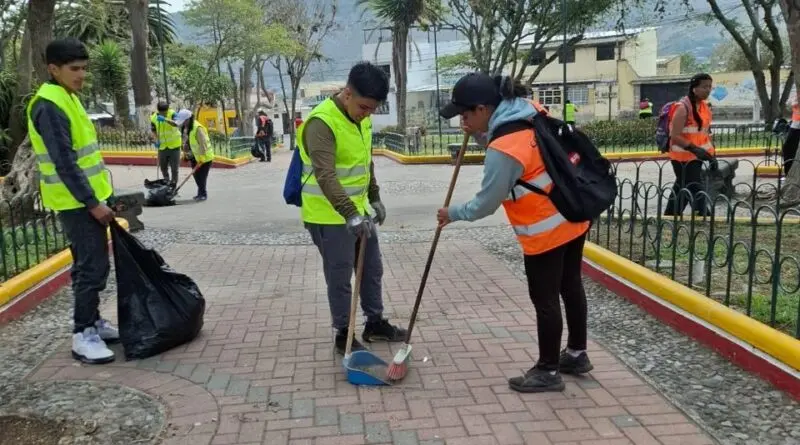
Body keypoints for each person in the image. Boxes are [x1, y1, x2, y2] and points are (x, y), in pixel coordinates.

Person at [436, 72, 593, 393]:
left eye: (465, 114)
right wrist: (481, 136)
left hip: (545, 229)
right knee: (570, 285)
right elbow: (520, 153)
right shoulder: (529, 111)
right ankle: (576, 354)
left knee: (545, 299)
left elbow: (485, 204)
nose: (462, 120)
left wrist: (451, 213)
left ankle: (548, 371)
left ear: (483, 109)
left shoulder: (505, 147)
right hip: (574, 214)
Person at [297, 61, 407, 354]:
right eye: (363, 107)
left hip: (359, 211)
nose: (367, 113)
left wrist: (374, 196)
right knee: (340, 275)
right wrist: (350, 214)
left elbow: (364, 160)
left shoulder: (362, 119)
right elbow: (325, 174)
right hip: (328, 216)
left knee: (372, 269)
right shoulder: (322, 122)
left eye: (372, 109)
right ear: (347, 93)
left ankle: (375, 324)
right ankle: (343, 334)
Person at [28, 38, 118, 364]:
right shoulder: (49, 104)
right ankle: (83, 334)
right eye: (74, 69)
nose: (81, 75)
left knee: (91, 265)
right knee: (92, 268)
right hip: (76, 203)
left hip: (85, 199)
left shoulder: (68, 96)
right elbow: (65, 162)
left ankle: (93, 321)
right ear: (54, 69)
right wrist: (93, 202)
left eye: (84, 68)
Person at [664, 74, 715, 216]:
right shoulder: (682, 108)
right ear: (694, 89)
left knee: (682, 185)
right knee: (694, 185)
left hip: (697, 155)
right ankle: (704, 214)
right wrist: (695, 149)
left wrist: (711, 155)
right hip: (682, 157)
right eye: (704, 87)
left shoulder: (704, 108)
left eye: (710, 87)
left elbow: (705, 133)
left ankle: (671, 214)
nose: (708, 90)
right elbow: (675, 136)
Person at [174, 109, 214, 201]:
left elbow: (203, 144)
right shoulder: (186, 128)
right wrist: (185, 154)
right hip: (194, 156)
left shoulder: (198, 128)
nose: (183, 123)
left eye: (184, 121)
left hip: (205, 157)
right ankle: (200, 193)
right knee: (196, 176)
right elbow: (187, 142)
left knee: (201, 177)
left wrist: (202, 158)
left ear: (188, 119)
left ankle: (203, 194)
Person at [150, 101, 182, 186]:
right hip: (162, 147)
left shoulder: (173, 114)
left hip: (174, 146)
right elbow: (153, 130)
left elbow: (177, 124)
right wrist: (156, 140)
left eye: (165, 112)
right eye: (162, 113)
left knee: (174, 169)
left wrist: (165, 119)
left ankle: (173, 187)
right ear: (158, 111)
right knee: (163, 168)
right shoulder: (153, 117)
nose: (164, 114)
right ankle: (166, 185)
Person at [782, 95, 800, 176]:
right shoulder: (797, 94)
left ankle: (790, 173)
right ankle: (789, 173)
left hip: (797, 127)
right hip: (795, 125)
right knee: (788, 149)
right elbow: (788, 106)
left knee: (789, 149)